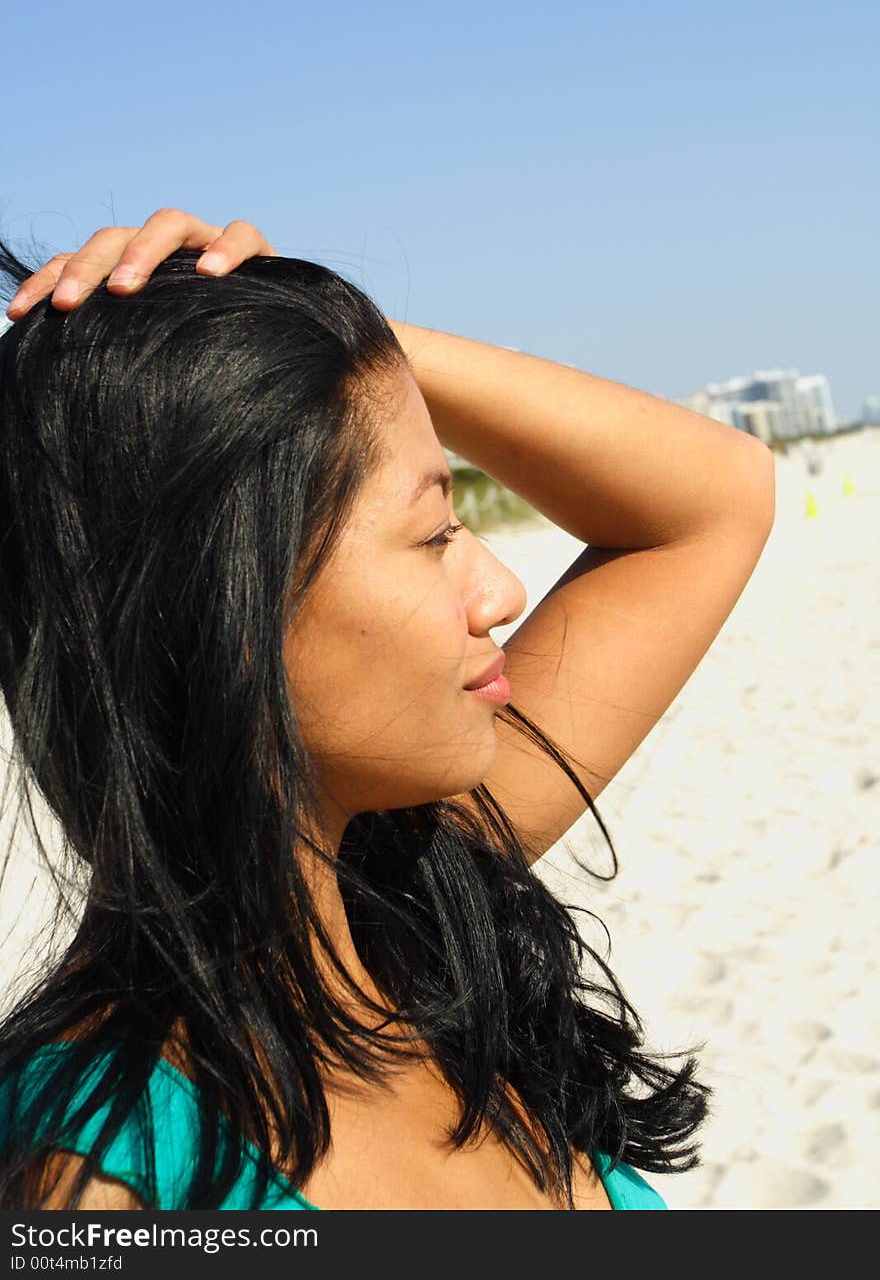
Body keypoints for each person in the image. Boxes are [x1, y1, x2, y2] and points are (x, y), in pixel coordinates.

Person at [0, 210, 775, 1210]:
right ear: (230, 601)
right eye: (433, 533)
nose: (497, 590)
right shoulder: (112, 1176)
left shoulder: (414, 907)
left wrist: (293, 324)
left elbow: (714, 495)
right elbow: (710, 506)